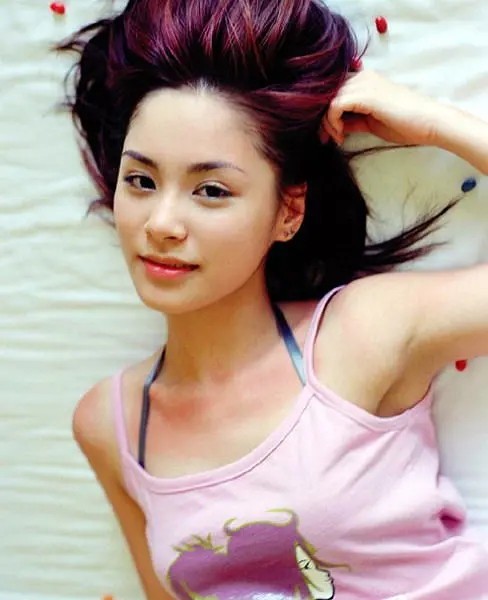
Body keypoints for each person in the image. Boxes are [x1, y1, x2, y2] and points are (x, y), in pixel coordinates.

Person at [55, 0, 488, 598]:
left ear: (288, 211)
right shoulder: (110, 424)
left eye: (211, 190)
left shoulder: (360, 336)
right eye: (142, 181)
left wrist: (434, 123)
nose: (161, 223)